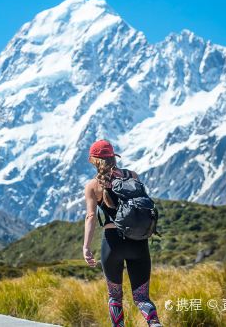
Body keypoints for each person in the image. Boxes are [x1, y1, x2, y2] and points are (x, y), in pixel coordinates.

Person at [83, 139, 162, 327]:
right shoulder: (132, 176)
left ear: (94, 161)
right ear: (113, 157)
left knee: (115, 297)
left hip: (112, 245)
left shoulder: (93, 186)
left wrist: (86, 247)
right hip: (138, 243)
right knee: (142, 298)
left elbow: (91, 216)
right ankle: (155, 324)